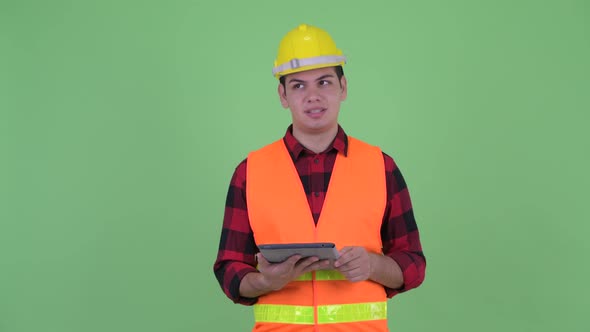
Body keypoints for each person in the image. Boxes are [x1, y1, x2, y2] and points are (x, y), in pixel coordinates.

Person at [213, 23, 426, 331]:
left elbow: (413, 265)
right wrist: (263, 281)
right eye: (298, 85)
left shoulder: (382, 167)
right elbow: (228, 270)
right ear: (282, 95)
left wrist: (373, 266)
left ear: (343, 87)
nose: (312, 96)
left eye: (324, 82)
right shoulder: (250, 172)